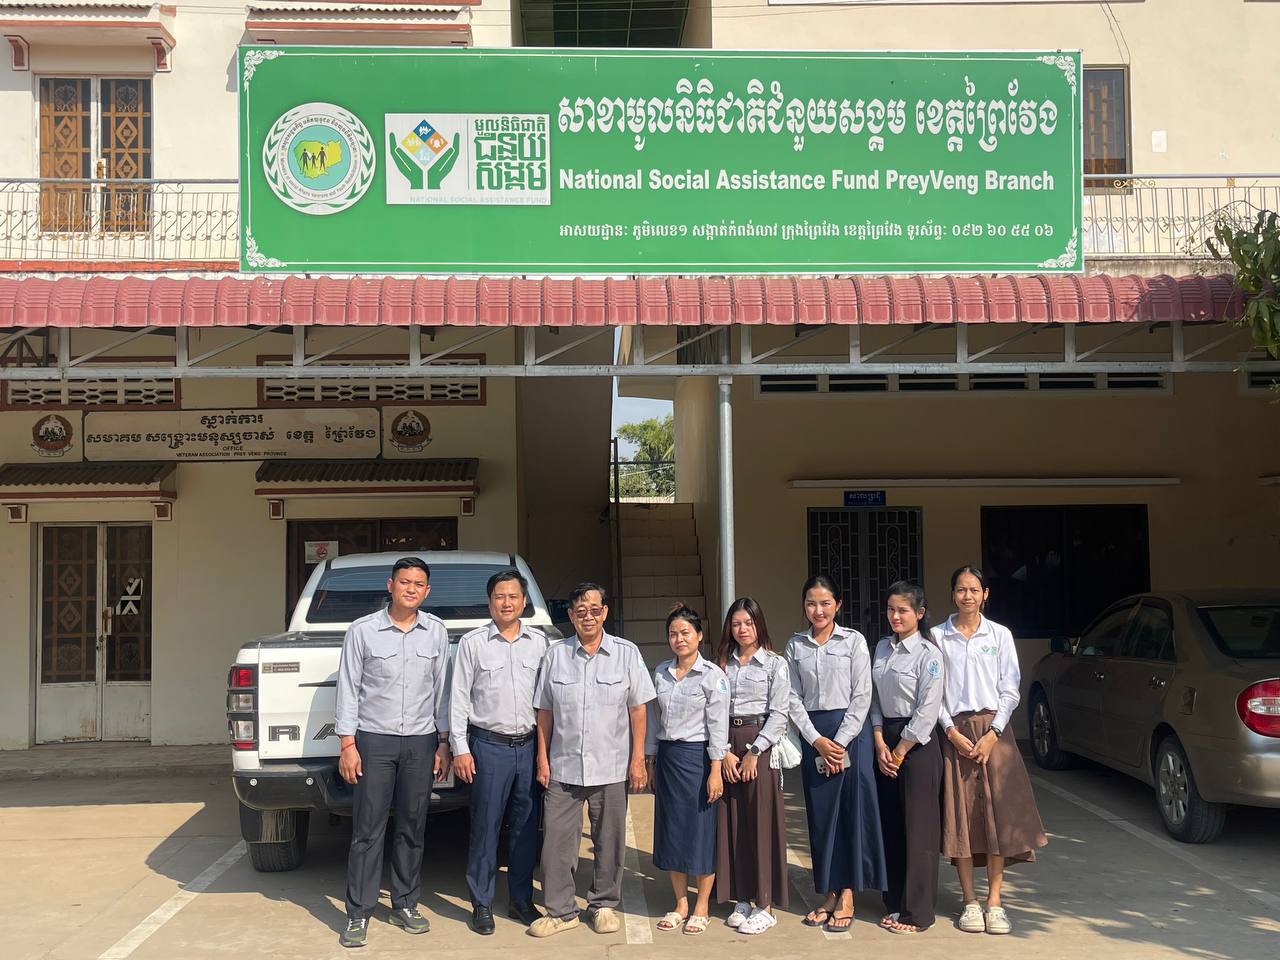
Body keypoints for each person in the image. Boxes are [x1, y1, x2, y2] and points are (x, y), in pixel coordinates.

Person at [334, 557, 452, 949]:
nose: (411, 589)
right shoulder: (363, 631)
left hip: (421, 741)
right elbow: (348, 689)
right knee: (367, 830)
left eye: (419, 584)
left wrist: (443, 742)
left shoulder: (436, 632)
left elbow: (442, 691)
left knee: (412, 827)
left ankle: (405, 904)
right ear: (390, 585)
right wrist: (347, 744)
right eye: (404, 582)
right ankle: (359, 912)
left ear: (427, 591)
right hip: (374, 741)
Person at [529, 583, 656, 938]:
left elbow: (638, 710)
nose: (588, 616)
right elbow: (544, 712)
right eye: (580, 611)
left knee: (609, 841)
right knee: (556, 843)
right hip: (563, 766)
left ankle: (602, 905)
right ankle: (560, 911)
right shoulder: (555, 655)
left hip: (611, 765)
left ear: (605, 612)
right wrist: (542, 758)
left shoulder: (626, 653)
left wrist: (638, 760)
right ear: (571, 616)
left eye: (594, 610)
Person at [933, 565, 1047, 936]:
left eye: (974, 589)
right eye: (960, 589)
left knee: (998, 815)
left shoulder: (999, 635)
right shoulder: (938, 636)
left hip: (994, 733)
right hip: (955, 734)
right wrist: (950, 731)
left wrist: (993, 733)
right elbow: (933, 692)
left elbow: (1010, 689)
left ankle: (994, 901)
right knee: (963, 817)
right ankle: (969, 900)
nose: (967, 596)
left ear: (985, 594)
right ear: (952, 594)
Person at [449, 568, 548, 935]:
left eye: (513, 596)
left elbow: (547, 701)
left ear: (524, 601)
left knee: (526, 829)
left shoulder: (540, 643)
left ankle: (521, 900)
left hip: (529, 746)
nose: (507, 603)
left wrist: (546, 752)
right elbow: (458, 698)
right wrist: (460, 747)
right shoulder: (473, 643)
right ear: (489, 602)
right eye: (499, 596)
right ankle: (482, 902)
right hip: (488, 747)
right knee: (485, 827)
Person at [786, 575, 886, 933]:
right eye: (811, 603)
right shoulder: (795, 645)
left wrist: (839, 742)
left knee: (849, 815)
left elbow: (862, 696)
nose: (818, 610)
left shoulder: (854, 641)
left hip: (851, 736)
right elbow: (791, 697)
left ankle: (847, 894)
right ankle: (828, 891)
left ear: (838, 605)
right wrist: (816, 740)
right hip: (815, 736)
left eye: (825, 603)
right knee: (822, 817)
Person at [645, 605, 729, 936]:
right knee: (672, 832)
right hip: (668, 757)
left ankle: (702, 906)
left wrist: (715, 769)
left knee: (700, 833)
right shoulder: (661, 672)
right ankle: (680, 903)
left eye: (685, 633)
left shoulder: (712, 676)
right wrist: (651, 760)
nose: (679, 639)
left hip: (698, 759)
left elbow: (718, 726)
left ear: (699, 636)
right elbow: (654, 721)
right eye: (673, 634)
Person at [871, 580, 945, 935]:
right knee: (892, 825)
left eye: (903, 610)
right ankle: (895, 901)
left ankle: (918, 912)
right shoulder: (881, 648)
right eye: (891, 609)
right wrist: (878, 741)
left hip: (917, 746)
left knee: (919, 830)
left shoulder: (929, 655)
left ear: (920, 613)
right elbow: (873, 697)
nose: (895, 616)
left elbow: (928, 710)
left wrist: (900, 750)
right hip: (884, 740)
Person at [715, 597, 792, 935]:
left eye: (748, 623)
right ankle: (742, 896)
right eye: (736, 624)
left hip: (760, 743)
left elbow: (779, 713)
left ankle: (766, 904)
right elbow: (714, 710)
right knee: (733, 821)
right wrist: (724, 752)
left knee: (762, 822)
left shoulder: (775, 664)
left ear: (759, 625)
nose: (742, 629)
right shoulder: (722, 665)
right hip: (728, 744)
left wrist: (754, 752)